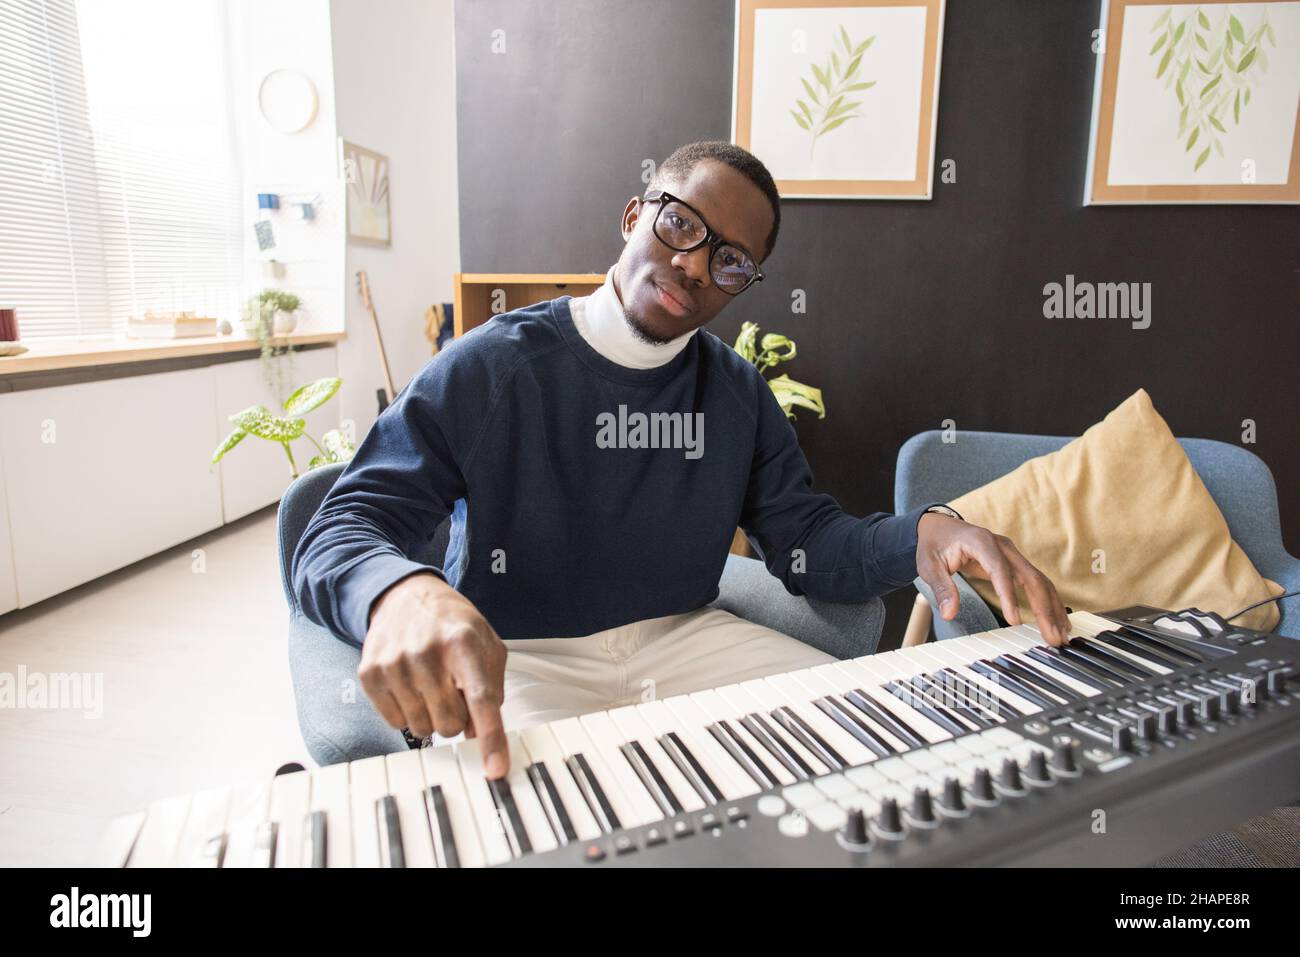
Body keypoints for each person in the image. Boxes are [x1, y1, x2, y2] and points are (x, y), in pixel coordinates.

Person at [292, 140, 1070, 780]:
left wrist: (920, 535)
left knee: (882, 759)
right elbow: (339, 528)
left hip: (688, 639)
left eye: (731, 260)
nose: (697, 266)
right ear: (636, 215)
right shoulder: (493, 366)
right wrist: (404, 593)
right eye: (681, 226)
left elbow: (805, 541)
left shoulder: (735, 392)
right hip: (521, 654)